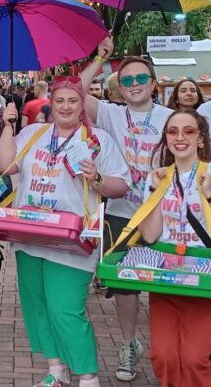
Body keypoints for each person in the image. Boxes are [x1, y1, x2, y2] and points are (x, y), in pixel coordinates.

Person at [0, 76, 131, 387]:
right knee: (37, 305)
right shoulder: (32, 134)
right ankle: (56, 371)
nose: (66, 106)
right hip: (29, 236)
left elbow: (121, 186)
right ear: (51, 104)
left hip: (73, 241)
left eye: (72, 100)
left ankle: (87, 376)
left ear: (82, 104)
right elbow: (5, 166)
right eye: (60, 100)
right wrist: (7, 126)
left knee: (66, 310)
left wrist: (97, 179)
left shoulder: (97, 140)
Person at [80, 42, 173, 381]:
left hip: (163, 214)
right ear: (118, 87)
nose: (134, 85)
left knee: (165, 282)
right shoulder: (110, 113)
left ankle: (166, 348)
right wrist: (102, 56)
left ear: (153, 84)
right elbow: (75, 91)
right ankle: (130, 344)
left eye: (140, 79)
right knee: (125, 285)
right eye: (127, 80)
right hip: (120, 212)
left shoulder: (169, 118)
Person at [138, 109, 211, 386]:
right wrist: (156, 192)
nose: (180, 137)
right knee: (164, 356)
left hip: (204, 280)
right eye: (173, 131)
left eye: (189, 131)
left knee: (195, 359)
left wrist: (209, 197)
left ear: (201, 139)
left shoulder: (210, 174)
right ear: (166, 138)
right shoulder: (157, 177)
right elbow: (150, 234)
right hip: (166, 278)